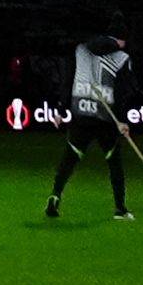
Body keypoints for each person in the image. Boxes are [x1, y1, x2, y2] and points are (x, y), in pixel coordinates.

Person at [46, 33, 136, 222]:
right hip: (106, 119)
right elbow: (122, 93)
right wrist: (122, 120)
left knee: (69, 158)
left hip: (81, 114)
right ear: (120, 39)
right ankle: (120, 209)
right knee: (114, 163)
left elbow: (67, 80)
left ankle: (55, 195)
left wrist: (61, 110)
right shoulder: (122, 58)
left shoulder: (81, 50)